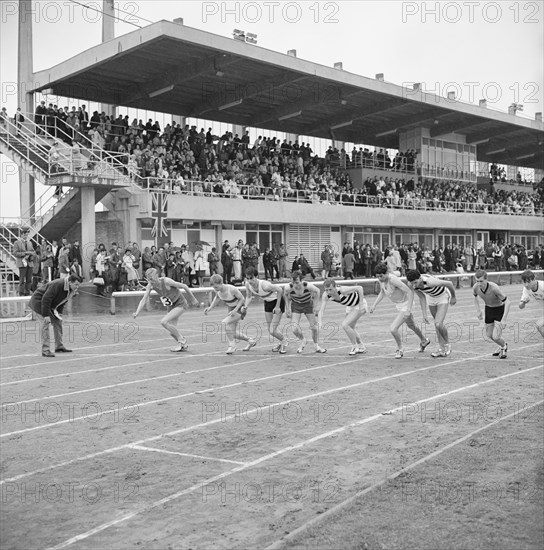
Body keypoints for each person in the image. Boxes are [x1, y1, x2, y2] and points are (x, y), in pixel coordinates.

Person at [370, 263, 431, 359]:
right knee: (412, 325)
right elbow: (382, 292)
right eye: (377, 277)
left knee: (393, 328)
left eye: (381, 276)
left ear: (386, 273)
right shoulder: (381, 281)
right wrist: (374, 305)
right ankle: (424, 340)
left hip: (406, 304)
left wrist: (408, 309)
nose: (380, 278)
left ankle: (400, 349)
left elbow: (410, 291)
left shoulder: (393, 280)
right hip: (398, 305)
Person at [133, 268, 200, 352]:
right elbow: (144, 299)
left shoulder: (166, 281)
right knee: (172, 331)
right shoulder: (150, 285)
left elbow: (184, 286)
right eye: (149, 279)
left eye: (152, 278)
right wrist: (137, 312)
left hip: (180, 304)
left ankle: (182, 340)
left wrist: (192, 299)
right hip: (171, 306)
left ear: (157, 276)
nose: (151, 281)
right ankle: (183, 345)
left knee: (164, 322)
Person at [406, 269, 457, 358]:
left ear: (420, 278)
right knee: (436, 324)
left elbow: (449, 284)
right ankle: (441, 348)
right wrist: (424, 314)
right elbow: (421, 297)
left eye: (415, 282)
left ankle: (447, 345)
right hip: (431, 297)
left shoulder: (430, 282)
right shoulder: (411, 285)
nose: (414, 285)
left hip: (442, 296)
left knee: (438, 323)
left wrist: (453, 297)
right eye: (412, 283)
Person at [29, 274, 82, 357]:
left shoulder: (70, 290)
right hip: (39, 302)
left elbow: (63, 301)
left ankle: (59, 346)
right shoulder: (58, 285)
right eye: (76, 284)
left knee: (58, 322)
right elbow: (46, 299)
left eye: (78, 285)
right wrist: (46, 315)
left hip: (50, 305)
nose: (77, 287)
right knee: (45, 324)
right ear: (70, 282)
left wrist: (59, 313)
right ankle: (45, 350)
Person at [204, 274, 256, 355]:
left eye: (216, 287)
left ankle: (232, 346)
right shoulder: (218, 290)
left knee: (224, 322)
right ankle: (250, 340)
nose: (215, 289)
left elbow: (242, 299)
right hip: (231, 309)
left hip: (240, 309)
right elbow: (217, 297)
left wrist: (235, 310)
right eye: (214, 287)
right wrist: (210, 308)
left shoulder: (232, 289)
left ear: (221, 283)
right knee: (232, 333)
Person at [242, 266, 287, 354]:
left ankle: (284, 341)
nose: (249, 281)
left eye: (251, 278)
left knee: (272, 330)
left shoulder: (265, 285)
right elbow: (248, 296)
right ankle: (281, 341)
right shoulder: (247, 284)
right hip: (267, 302)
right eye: (247, 278)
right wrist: (245, 307)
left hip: (278, 301)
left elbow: (280, 290)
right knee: (270, 330)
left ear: (256, 277)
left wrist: (277, 307)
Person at [319, 278, 368, 356]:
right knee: (351, 327)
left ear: (335, 286)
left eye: (330, 289)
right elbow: (321, 310)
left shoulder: (342, 290)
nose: (329, 292)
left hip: (359, 304)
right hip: (350, 306)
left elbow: (360, 288)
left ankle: (355, 347)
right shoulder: (326, 295)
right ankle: (361, 347)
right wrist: (320, 322)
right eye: (326, 290)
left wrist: (361, 304)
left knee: (345, 325)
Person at [284, 270, 326, 354]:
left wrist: (316, 305)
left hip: (308, 305)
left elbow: (317, 291)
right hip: (296, 306)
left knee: (314, 327)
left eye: (297, 282)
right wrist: (287, 308)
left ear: (301, 280)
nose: (295, 285)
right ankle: (303, 340)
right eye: (293, 282)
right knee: (294, 329)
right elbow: (285, 294)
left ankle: (316, 345)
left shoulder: (307, 285)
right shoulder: (288, 287)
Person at [472, 269, 510, 359]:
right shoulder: (475, 287)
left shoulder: (494, 288)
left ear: (486, 279)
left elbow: (508, 302)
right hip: (488, 309)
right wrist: (478, 310)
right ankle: (501, 345)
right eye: (477, 281)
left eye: (481, 281)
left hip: (499, 309)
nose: (479, 284)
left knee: (496, 337)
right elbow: (475, 297)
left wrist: (504, 319)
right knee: (489, 335)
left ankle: (504, 347)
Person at [518, 270, 544, 339]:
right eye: (524, 282)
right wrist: (524, 302)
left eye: (528, 282)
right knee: (539, 326)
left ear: (534, 279)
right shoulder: (526, 289)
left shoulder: (542, 286)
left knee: (539, 325)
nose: (526, 284)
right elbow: (520, 306)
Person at [13, 228, 35, 296]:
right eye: (25, 235)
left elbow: (33, 252)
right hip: (22, 263)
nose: (26, 236)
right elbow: (15, 253)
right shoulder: (17, 243)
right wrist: (25, 254)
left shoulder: (30, 243)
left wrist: (30, 255)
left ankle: (27, 293)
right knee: (22, 280)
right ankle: (21, 293)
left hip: (30, 263)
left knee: (29, 280)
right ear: (21, 235)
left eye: (27, 235)